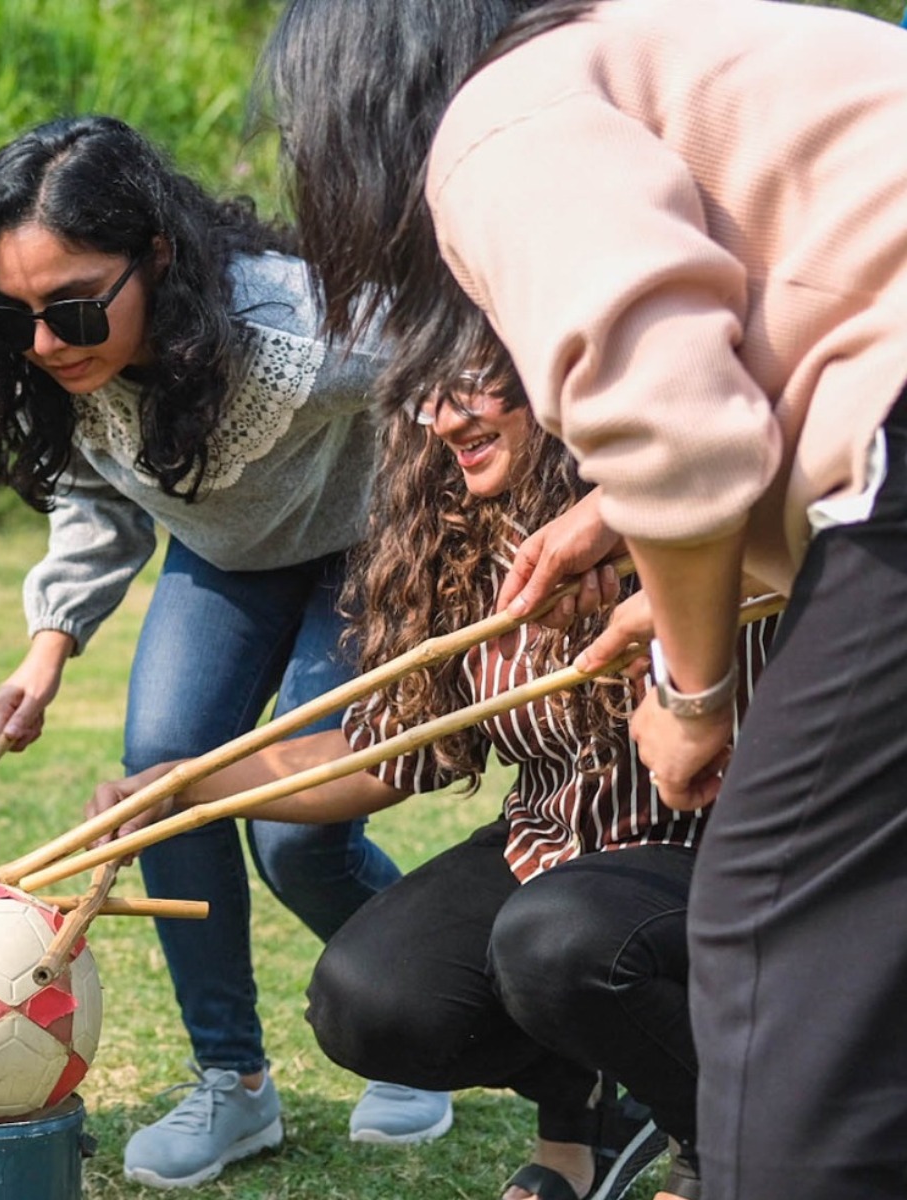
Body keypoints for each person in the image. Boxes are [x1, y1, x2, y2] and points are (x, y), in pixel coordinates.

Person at [260, 1, 907, 1197]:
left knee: (773, 921)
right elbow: (771, 358)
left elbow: (679, 434)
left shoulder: (499, 121)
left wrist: (691, 690)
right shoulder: (651, 60)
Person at [0, 113, 451, 1188]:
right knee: (153, 783)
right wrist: (47, 644)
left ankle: (414, 1032)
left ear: (155, 257)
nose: (46, 344)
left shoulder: (303, 329)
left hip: (367, 552)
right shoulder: (52, 359)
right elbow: (93, 496)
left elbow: (460, 357)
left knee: (300, 837)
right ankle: (232, 1084)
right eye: (15, 317)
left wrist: (465, 529)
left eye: (70, 308)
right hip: (228, 562)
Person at [91, 369, 778, 1200]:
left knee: (554, 941)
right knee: (369, 1000)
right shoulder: (459, 535)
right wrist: (182, 786)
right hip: (557, 844)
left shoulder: (700, 485)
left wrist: (652, 566)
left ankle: (727, 1140)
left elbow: (809, 557)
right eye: (430, 393)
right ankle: (592, 1110)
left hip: (729, 852)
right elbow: (383, 751)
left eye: (478, 386)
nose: (448, 418)